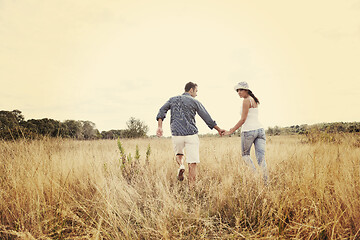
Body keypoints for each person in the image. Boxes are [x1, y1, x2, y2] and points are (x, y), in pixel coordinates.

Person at [156, 82, 225, 186]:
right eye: (196, 91)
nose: (196, 94)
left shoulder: (172, 99)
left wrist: (160, 126)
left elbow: (162, 110)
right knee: (192, 163)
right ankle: (192, 188)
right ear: (191, 90)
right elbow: (207, 117)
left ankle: (181, 166)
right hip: (191, 134)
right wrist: (218, 129)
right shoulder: (194, 101)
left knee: (179, 154)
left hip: (177, 134)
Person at [224, 82, 268, 183]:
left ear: (246, 90)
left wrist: (231, 131)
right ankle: (266, 183)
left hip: (249, 131)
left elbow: (243, 119)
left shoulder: (246, 101)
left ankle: (256, 177)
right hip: (260, 130)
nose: (238, 92)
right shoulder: (254, 100)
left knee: (245, 155)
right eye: (237, 90)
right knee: (261, 159)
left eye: (241, 90)